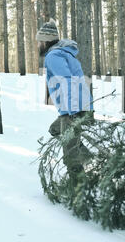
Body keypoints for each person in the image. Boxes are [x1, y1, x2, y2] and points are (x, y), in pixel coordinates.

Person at [37, 18, 93, 186]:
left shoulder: (54, 56)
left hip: (73, 109)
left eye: (40, 41)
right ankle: (89, 159)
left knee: (70, 154)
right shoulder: (62, 53)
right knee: (56, 130)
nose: (38, 45)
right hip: (76, 106)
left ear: (46, 41)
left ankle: (79, 190)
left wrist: (72, 110)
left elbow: (67, 81)